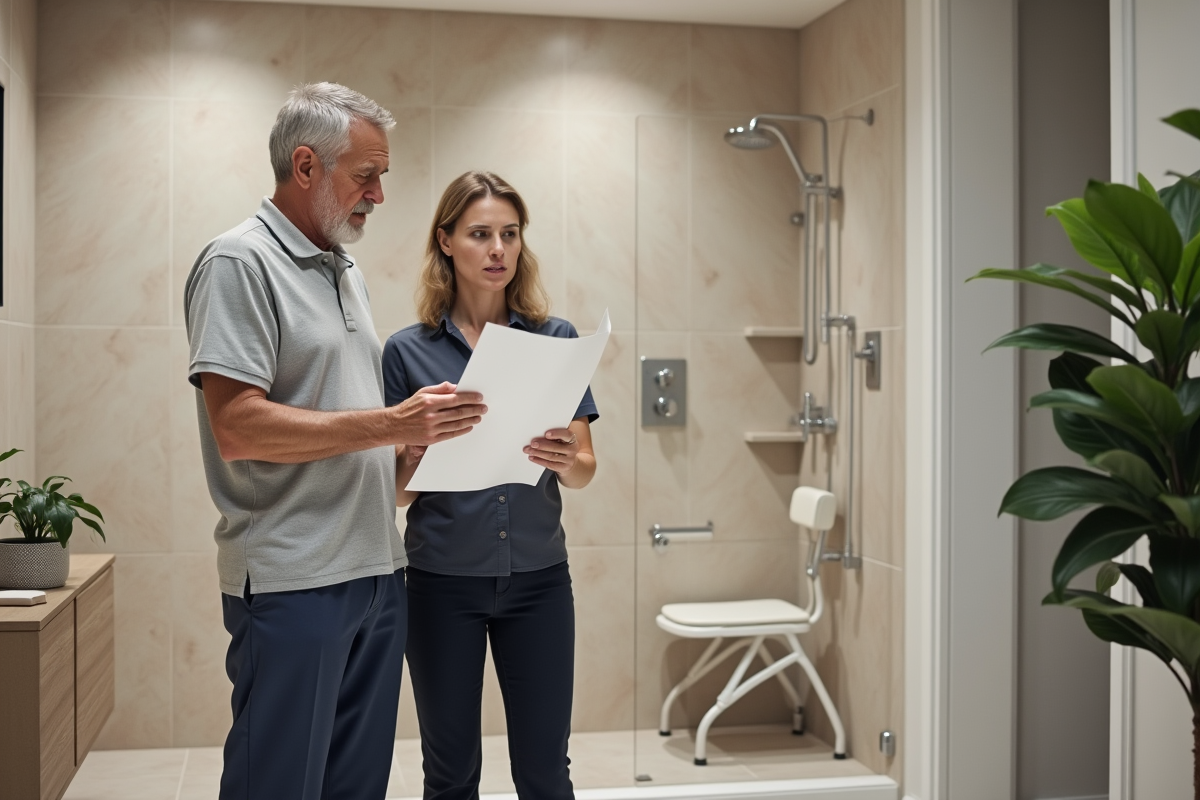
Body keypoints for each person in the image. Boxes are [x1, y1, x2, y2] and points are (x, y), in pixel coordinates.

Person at [183, 83, 487, 800]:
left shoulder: (345, 271)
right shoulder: (238, 263)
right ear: (306, 166)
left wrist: (416, 452)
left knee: (356, 788)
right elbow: (237, 427)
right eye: (367, 175)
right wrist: (391, 423)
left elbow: (345, 430)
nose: (379, 195)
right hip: (295, 580)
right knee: (278, 786)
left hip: (377, 573)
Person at [382, 171, 598, 800]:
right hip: (440, 585)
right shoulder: (406, 352)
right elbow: (397, 493)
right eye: (480, 234)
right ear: (446, 241)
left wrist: (564, 457)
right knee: (449, 774)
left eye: (509, 234)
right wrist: (415, 451)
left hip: (539, 582)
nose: (498, 248)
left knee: (544, 772)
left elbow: (585, 468)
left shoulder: (554, 339)